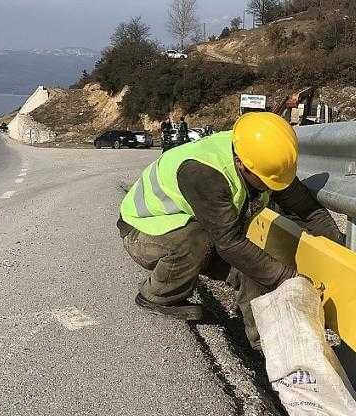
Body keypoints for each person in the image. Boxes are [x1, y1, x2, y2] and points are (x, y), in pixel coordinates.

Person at [117, 112, 342, 349]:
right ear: (241, 164)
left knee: (256, 265)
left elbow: (309, 211)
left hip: (200, 228)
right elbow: (229, 243)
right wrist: (289, 278)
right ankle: (158, 295)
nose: (270, 187)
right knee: (200, 241)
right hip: (144, 230)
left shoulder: (260, 159)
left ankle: (268, 346)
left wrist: (338, 252)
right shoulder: (203, 172)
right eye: (265, 182)